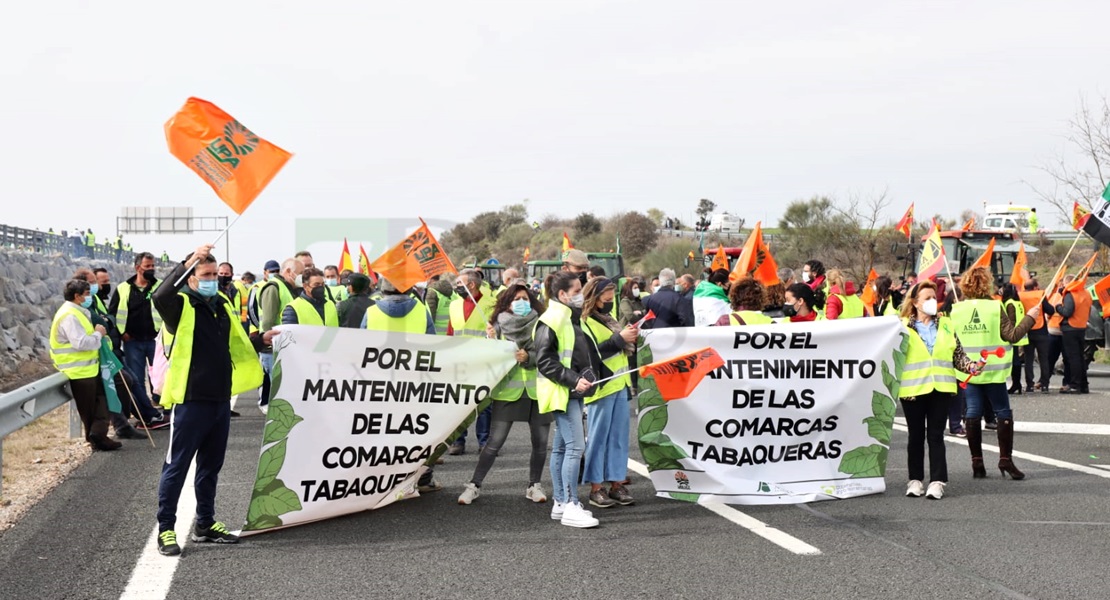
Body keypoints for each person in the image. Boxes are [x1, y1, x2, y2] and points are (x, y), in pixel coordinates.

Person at [152, 244, 271, 557]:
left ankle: (205, 523)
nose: (212, 280)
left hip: (220, 399)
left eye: (215, 275)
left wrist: (262, 340)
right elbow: (159, 295)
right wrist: (187, 261)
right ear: (191, 278)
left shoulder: (221, 303)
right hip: (192, 400)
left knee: (210, 466)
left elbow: (236, 341)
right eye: (205, 275)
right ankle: (166, 528)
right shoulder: (180, 306)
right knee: (177, 467)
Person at [457, 283, 553, 506]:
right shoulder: (496, 325)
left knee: (540, 443)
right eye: (517, 298)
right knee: (494, 442)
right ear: (508, 302)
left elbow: (549, 352)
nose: (522, 302)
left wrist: (529, 357)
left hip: (538, 391)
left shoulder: (542, 323)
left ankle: (534, 485)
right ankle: (474, 485)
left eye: (526, 298)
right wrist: (490, 339)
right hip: (507, 392)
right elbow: (489, 357)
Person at [950, 266, 1038, 480]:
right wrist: (1030, 317)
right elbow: (1013, 335)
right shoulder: (994, 308)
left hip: (969, 371)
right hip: (994, 370)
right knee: (1002, 412)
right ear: (986, 284)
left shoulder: (956, 310)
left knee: (972, 411)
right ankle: (1005, 460)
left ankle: (977, 462)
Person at [899, 280, 980, 500]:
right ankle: (915, 480)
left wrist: (971, 366)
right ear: (915, 303)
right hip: (913, 389)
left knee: (936, 436)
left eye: (934, 298)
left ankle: (937, 481)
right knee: (915, 436)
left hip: (941, 388)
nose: (932, 302)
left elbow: (958, 355)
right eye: (927, 298)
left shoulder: (946, 324)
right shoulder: (901, 326)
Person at [361, 276, 441, 493]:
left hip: (380, 384)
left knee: (382, 432)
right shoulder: (421, 311)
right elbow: (431, 346)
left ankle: (383, 482)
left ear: (383, 290)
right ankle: (423, 480)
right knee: (417, 433)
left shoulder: (372, 312)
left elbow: (360, 347)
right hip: (414, 384)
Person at [534, 271, 600, 528]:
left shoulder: (564, 317)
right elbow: (544, 361)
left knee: (563, 448)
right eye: (577, 291)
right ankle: (570, 504)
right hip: (562, 392)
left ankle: (562, 503)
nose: (581, 295)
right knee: (574, 448)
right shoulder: (552, 319)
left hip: (566, 392)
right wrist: (573, 380)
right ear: (562, 295)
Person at [579, 278, 639, 508]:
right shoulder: (584, 322)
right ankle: (596, 488)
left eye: (612, 294)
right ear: (593, 296)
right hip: (602, 387)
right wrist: (619, 339)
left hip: (620, 385)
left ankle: (616, 484)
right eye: (605, 295)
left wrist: (628, 337)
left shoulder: (610, 319)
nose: (609, 299)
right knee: (598, 440)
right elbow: (589, 353)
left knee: (619, 439)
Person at [49, 279, 121, 451]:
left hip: (88, 368)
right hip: (77, 370)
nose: (90, 297)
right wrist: (98, 333)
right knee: (89, 408)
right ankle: (97, 439)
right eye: (87, 294)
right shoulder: (69, 316)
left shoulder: (77, 311)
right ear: (77, 296)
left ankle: (98, 436)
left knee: (101, 401)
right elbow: (81, 343)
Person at [108, 252, 169, 430]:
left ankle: (164, 408)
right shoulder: (123, 289)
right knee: (136, 378)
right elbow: (114, 313)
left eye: (152, 266)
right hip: (132, 341)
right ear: (137, 268)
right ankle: (147, 413)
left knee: (161, 375)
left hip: (156, 340)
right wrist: (122, 333)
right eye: (147, 266)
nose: (151, 269)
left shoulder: (160, 287)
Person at [446, 268, 496, 454]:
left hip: (483, 361)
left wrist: (494, 334)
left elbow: (499, 333)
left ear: (472, 285)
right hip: (459, 361)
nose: (456, 287)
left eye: (459, 283)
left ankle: (484, 442)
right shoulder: (454, 305)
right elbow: (450, 334)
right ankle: (458, 442)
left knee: (484, 405)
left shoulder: (492, 304)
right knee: (459, 404)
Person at [257, 258, 304, 412]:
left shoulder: (289, 288)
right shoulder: (274, 288)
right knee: (279, 392)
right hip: (274, 349)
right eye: (300, 273)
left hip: (287, 348)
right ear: (289, 272)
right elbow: (268, 321)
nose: (302, 277)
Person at [1056, 275, 1091, 394]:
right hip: (1081, 327)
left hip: (1070, 327)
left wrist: (1058, 307)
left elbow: (1067, 312)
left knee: (1073, 358)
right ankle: (1083, 384)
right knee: (1080, 357)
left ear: (1068, 283)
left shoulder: (1070, 294)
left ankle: (1075, 385)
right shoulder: (1086, 293)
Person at [1019, 280, 1049, 394]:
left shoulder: (1020, 296)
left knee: (1028, 360)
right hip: (1041, 331)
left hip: (1027, 331)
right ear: (1035, 287)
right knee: (1043, 359)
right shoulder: (1040, 295)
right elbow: (1049, 309)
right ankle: (1045, 385)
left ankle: (1029, 385)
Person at [1000, 284, 1029, 395]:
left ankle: (1016, 384)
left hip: (1013, 334)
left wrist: (1007, 334)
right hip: (1021, 333)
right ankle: (1017, 384)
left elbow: (1011, 320)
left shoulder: (1009, 303)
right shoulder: (1018, 302)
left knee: (1015, 360)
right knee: (1016, 359)